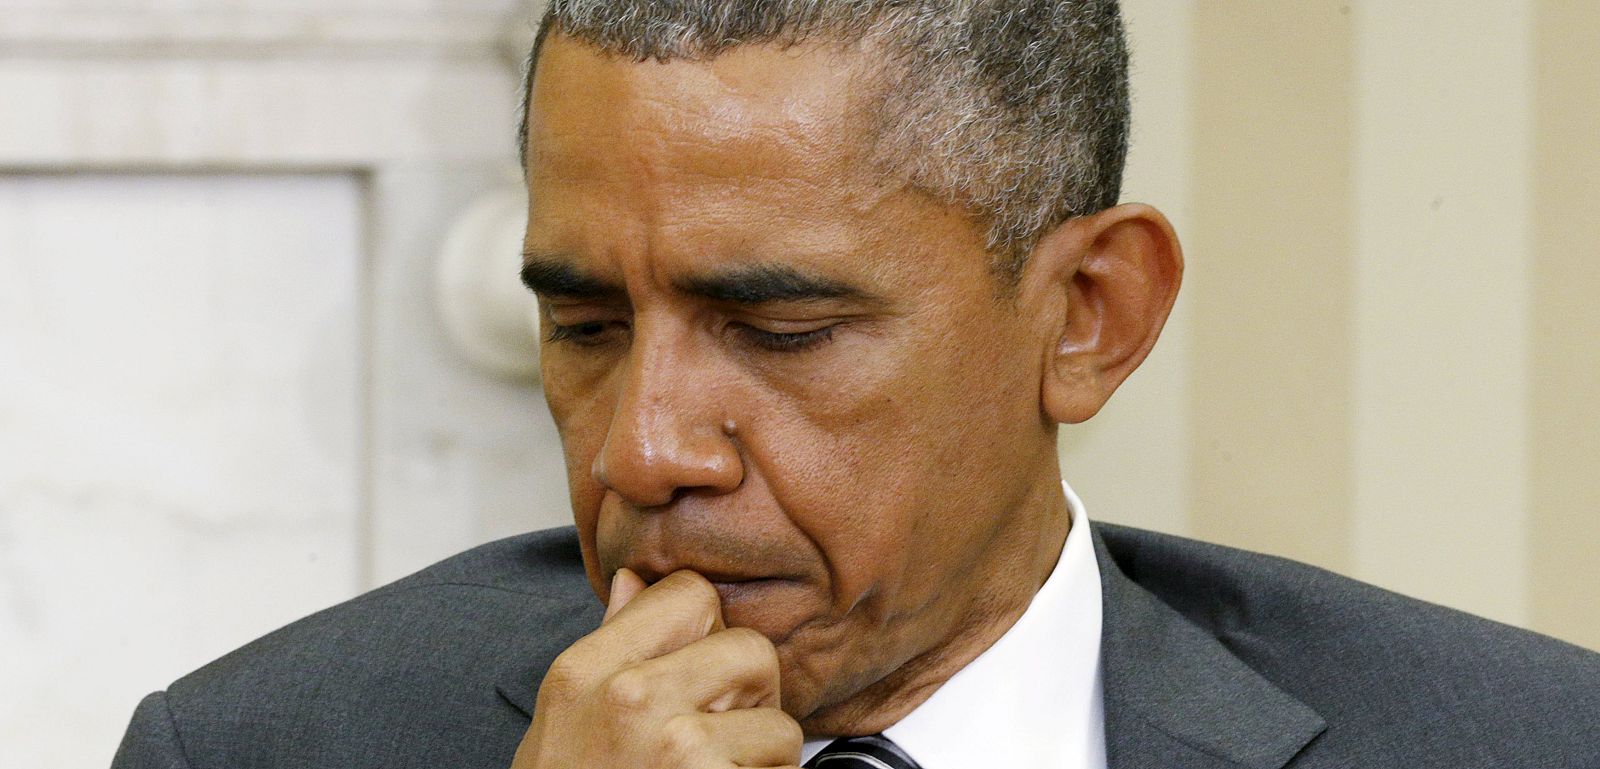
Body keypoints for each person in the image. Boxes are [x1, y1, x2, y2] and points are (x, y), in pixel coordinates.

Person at [113, 2, 1600, 768]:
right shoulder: (261, 750)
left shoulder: (1521, 748)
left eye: (781, 330)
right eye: (585, 323)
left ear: (1089, 316)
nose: (643, 450)